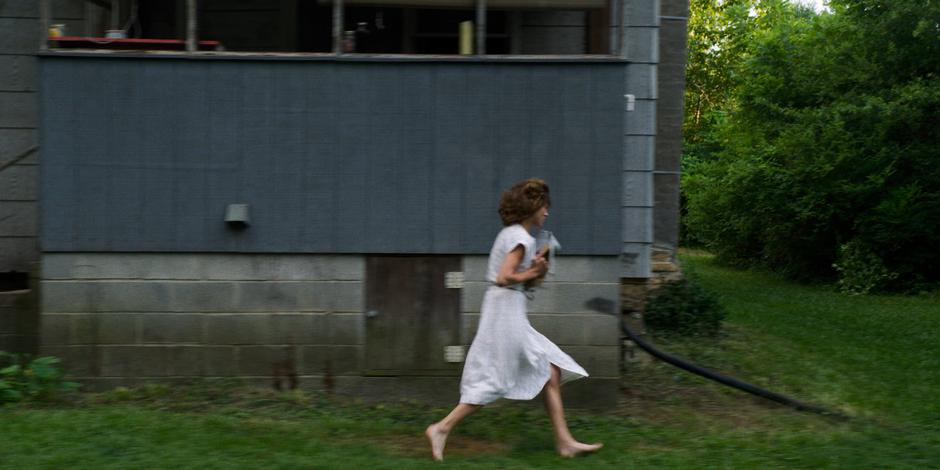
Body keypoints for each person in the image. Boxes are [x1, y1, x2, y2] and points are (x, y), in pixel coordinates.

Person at [425, 178, 603, 461]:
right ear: (532, 206)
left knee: (551, 372)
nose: (547, 212)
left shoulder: (512, 235)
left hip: (507, 307)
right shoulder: (521, 238)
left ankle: (565, 442)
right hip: (505, 312)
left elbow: (516, 282)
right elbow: (504, 277)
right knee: (496, 379)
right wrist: (533, 273)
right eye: (544, 206)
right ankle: (442, 428)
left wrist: (537, 270)